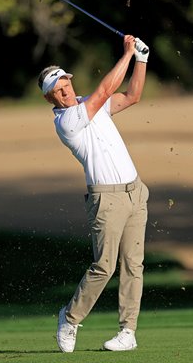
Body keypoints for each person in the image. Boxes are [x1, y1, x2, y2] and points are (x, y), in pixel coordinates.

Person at [38, 35, 149, 352]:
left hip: (134, 191)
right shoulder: (68, 120)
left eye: (65, 83)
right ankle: (69, 319)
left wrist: (141, 58)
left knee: (133, 265)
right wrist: (127, 53)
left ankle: (128, 331)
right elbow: (104, 91)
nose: (65, 91)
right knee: (104, 266)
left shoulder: (88, 103)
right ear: (50, 99)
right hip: (106, 199)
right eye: (57, 90)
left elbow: (132, 95)